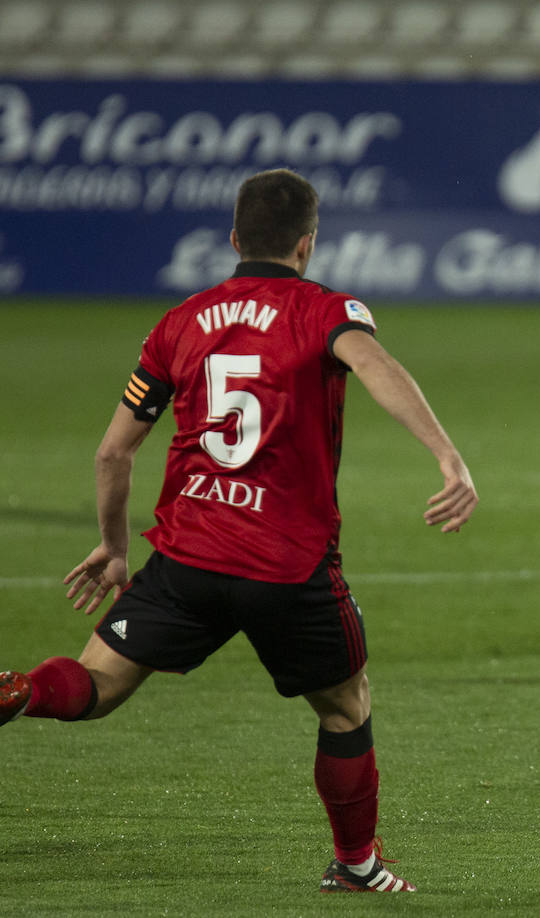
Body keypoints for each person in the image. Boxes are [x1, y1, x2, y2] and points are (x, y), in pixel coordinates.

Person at [0, 169, 478, 892]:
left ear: (233, 239)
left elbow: (113, 452)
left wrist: (115, 547)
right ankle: (356, 865)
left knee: (94, 685)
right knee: (347, 706)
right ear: (306, 246)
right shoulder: (326, 310)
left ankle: (18, 690)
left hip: (185, 559)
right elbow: (373, 363)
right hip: (287, 568)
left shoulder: (179, 322)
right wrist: (447, 456)